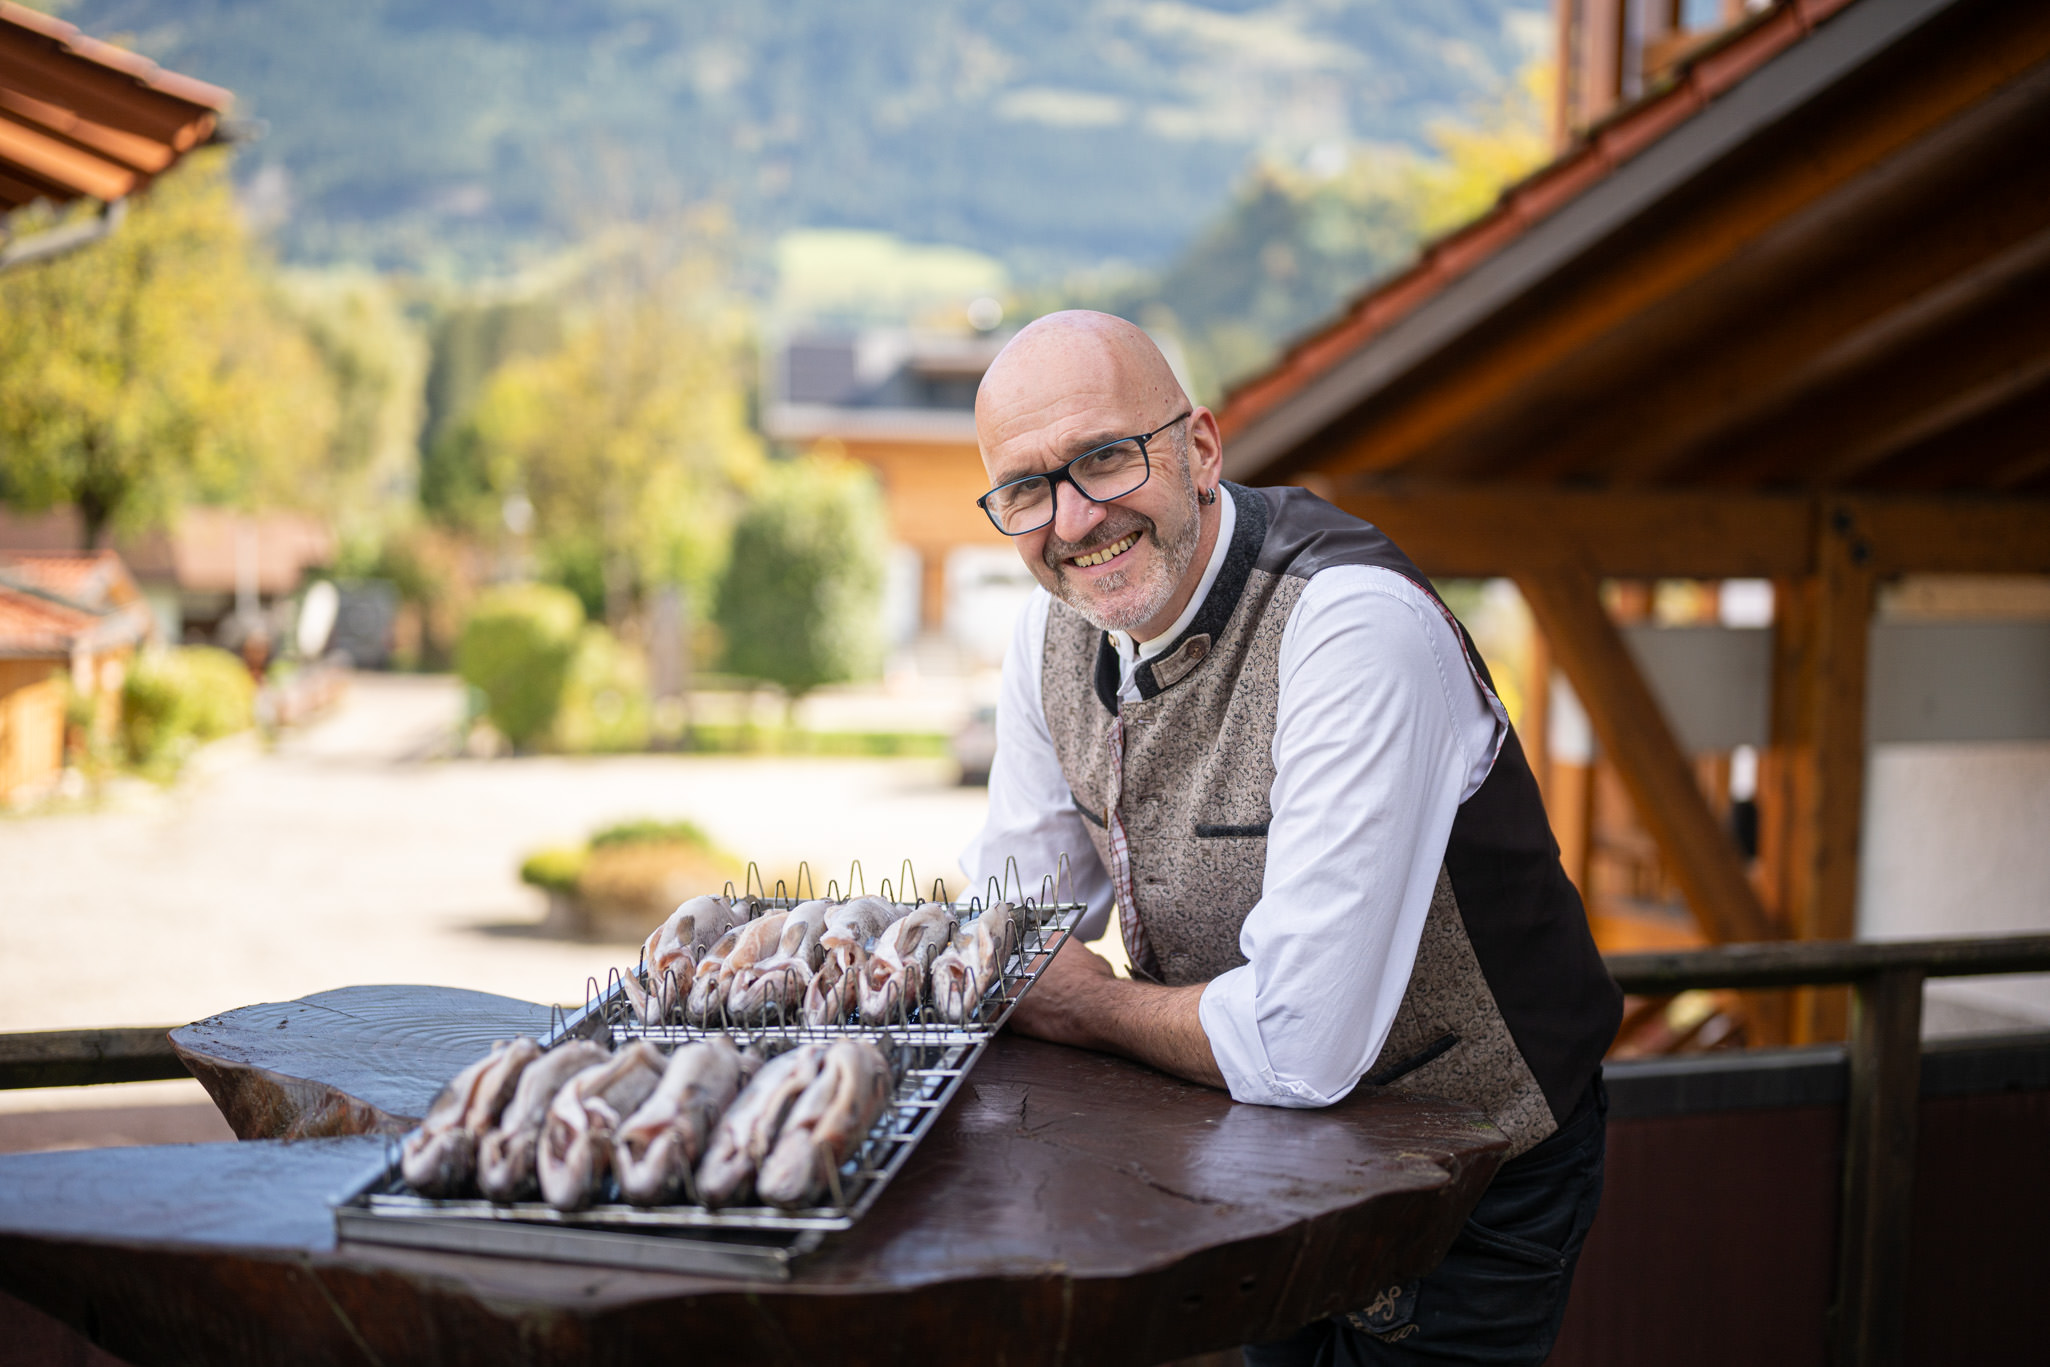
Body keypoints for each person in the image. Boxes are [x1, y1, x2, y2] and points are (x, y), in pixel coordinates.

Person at [959, 311, 1622, 1365]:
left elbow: (1298, 1039)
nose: (1074, 518)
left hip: (1472, 1165)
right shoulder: (1049, 634)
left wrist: (1084, 1002)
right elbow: (1010, 925)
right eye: (1028, 488)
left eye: (1102, 458)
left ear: (1200, 449)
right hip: (1254, 1143)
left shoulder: (1352, 624)